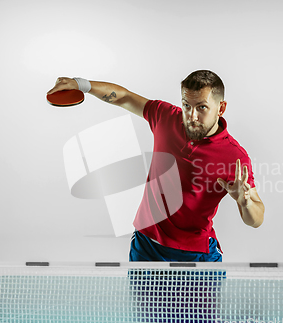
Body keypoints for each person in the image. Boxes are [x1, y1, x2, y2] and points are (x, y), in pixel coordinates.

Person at [47, 70, 265, 262]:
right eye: (187, 105)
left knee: (200, 312)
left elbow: (256, 219)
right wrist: (80, 84)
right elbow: (124, 97)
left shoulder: (234, 156)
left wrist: (245, 202)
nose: (192, 116)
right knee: (145, 311)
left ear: (221, 108)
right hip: (147, 247)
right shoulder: (166, 118)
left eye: (202, 108)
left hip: (195, 254)